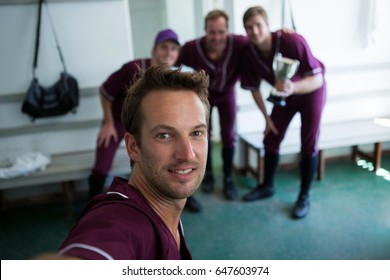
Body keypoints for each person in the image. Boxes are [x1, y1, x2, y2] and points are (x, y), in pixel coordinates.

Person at [57, 65, 210, 259]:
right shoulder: (121, 223)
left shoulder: (166, 215)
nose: (187, 154)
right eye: (164, 135)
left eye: (197, 133)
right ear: (133, 147)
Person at [240, 6, 326, 219]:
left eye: (259, 25)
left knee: (308, 143)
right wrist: (266, 118)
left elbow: (318, 79)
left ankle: (303, 196)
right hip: (284, 96)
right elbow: (253, 88)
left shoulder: (292, 41)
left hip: (309, 91)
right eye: (249, 28)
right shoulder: (249, 53)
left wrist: (293, 88)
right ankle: (267, 186)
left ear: (267, 25)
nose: (255, 31)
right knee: (271, 136)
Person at [88, 29, 182, 199]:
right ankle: (91, 203)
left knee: (167, 157)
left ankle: (179, 196)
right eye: (164, 47)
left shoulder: (172, 76)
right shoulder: (133, 68)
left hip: (147, 124)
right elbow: (105, 91)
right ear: (154, 50)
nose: (168, 52)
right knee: (101, 168)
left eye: (173, 48)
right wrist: (108, 123)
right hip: (118, 120)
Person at [177, 9, 248, 210]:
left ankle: (227, 179)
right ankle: (207, 175)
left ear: (227, 30)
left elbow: (260, 41)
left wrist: (283, 33)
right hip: (202, 96)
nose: (217, 37)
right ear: (205, 31)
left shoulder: (238, 43)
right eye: (212, 32)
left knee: (228, 135)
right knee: (203, 135)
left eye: (221, 31)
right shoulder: (192, 48)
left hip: (227, 94)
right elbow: (174, 65)